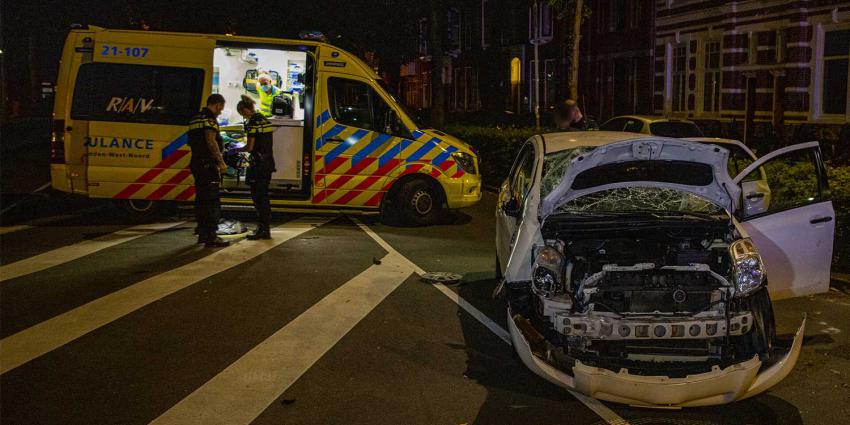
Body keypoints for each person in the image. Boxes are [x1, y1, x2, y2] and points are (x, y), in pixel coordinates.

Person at [188, 94, 230, 248]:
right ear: (217, 105)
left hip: (196, 162)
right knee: (211, 200)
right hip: (207, 165)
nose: (220, 112)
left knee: (201, 199)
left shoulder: (195, 119)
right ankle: (211, 236)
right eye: (221, 109)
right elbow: (211, 142)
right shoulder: (209, 120)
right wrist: (221, 163)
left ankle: (202, 232)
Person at [237, 95, 276, 240]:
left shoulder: (253, 123)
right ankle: (265, 228)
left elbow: (249, 147)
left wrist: (235, 149)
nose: (243, 117)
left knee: (258, 198)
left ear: (245, 110)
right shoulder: (264, 119)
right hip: (268, 163)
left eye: (242, 114)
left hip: (258, 165)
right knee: (263, 196)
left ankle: (263, 230)